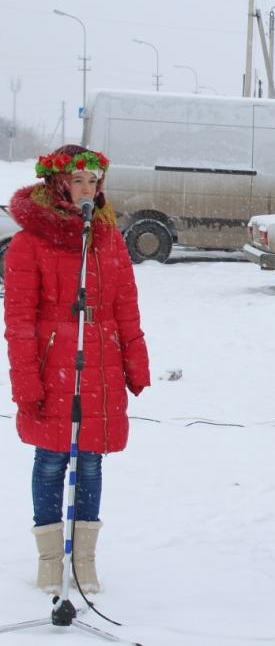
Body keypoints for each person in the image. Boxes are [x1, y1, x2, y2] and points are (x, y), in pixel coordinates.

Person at [4, 145, 150, 594]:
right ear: (58, 183)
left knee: (90, 463)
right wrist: (26, 379)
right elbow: (20, 321)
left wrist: (135, 359)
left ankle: (84, 559)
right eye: (78, 180)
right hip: (53, 368)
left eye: (94, 181)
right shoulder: (30, 243)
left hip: (99, 364)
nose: (87, 189)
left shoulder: (106, 238)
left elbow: (125, 304)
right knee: (51, 461)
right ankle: (51, 559)